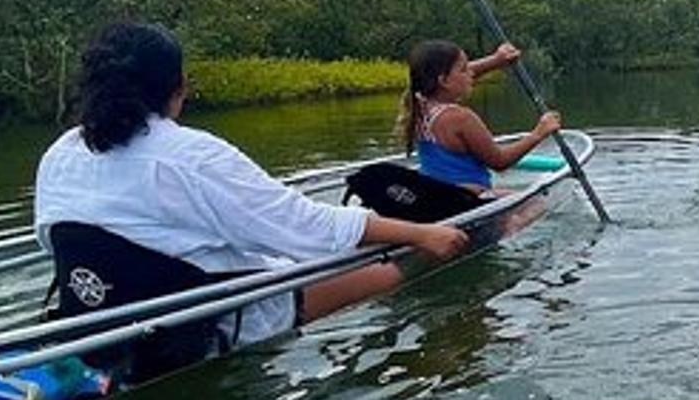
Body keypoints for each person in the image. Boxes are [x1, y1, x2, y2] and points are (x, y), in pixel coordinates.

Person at [35, 22, 467, 367]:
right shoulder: (189, 153)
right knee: (388, 274)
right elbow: (305, 228)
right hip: (212, 325)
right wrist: (422, 234)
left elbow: (51, 240)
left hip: (101, 325)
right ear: (179, 85)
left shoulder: (61, 152)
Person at [393, 39, 562, 193]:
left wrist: (496, 60)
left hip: (436, 194)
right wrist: (539, 133)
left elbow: (450, 75)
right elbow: (499, 162)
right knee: (535, 204)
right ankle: (499, 227)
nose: (471, 73)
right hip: (466, 198)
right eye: (464, 69)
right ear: (443, 80)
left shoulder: (417, 105)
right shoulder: (460, 118)